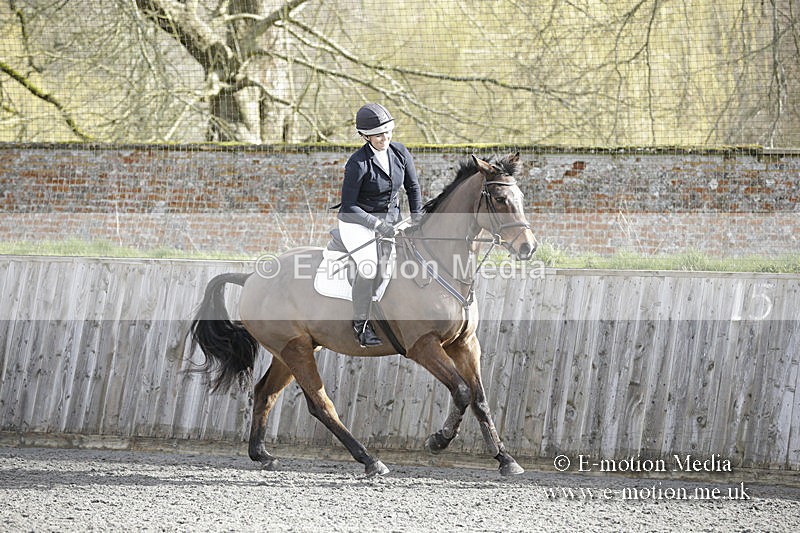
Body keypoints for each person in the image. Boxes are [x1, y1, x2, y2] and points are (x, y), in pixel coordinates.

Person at [338, 103, 422, 347]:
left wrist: (417, 219)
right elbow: (348, 205)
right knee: (369, 267)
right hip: (357, 222)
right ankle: (361, 326)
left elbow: (413, 187)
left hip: (391, 222)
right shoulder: (357, 163)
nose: (385, 138)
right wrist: (376, 224)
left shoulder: (400, 152)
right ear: (365, 136)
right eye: (378, 134)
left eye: (388, 132)